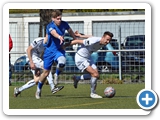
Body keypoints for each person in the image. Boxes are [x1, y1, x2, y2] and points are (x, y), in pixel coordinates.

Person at [35, 10, 76, 99]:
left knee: (62, 62)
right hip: (49, 52)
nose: (59, 20)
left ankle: (56, 75)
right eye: (57, 19)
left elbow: (70, 31)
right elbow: (54, 33)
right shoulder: (50, 26)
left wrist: (75, 38)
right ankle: (38, 90)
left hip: (59, 50)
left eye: (60, 18)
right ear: (53, 19)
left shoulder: (64, 24)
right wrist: (59, 37)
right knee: (45, 73)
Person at [64, 31, 114, 98]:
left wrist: (81, 35)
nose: (108, 42)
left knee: (96, 75)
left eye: (109, 40)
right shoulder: (93, 41)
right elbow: (77, 41)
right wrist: (64, 46)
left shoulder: (101, 41)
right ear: (103, 37)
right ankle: (93, 93)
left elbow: (91, 36)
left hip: (88, 57)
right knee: (94, 74)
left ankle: (77, 78)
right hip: (80, 58)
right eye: (107, 39)